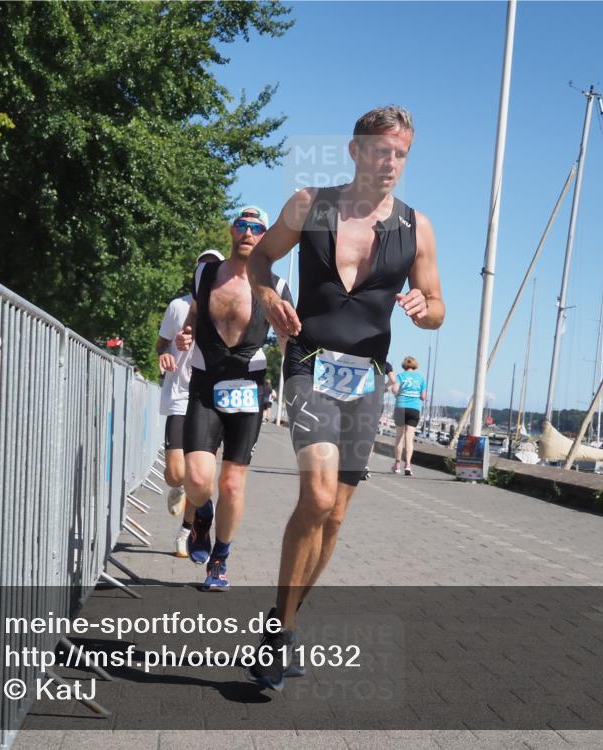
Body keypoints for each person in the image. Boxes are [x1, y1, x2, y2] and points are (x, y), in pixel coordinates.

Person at [246, 105, 444, 689]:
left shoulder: (416, 228)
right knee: (317, 492)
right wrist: (265, 296)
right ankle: (278, 635)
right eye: (381, 150)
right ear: (355, 151)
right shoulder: (310, 204)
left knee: (334, 517)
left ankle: (283, 622)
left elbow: (436, 305)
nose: (390, 163)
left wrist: (422, 309)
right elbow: (261, 257)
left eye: (401, 153)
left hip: (366, 379)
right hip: (309, 362)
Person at [175, 206, 292, 591]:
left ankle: (220, 559)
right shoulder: (206, 273)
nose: (248, 233)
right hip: (206, 384)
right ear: (232, 230)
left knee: (232, 485)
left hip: (248, 387)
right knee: (196, 478)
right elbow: (194, 309)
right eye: (242, 225)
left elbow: (291, 336)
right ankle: (201, 518)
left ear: (265, 236)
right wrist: (186, 333)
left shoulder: (276, 285)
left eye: (257, 228)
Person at [155, 249, 226, 558]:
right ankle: (182, 488)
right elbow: (160, 343)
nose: (208, 272)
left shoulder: (227, 308)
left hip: (209, 400)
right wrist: (166, 352)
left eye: (214, 267)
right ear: (195, 272)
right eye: (203, 266)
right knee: (175, 473)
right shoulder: (177, 307)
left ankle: (187, 531)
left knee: (201, 473)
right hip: (179, 395)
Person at [391, 355, 426, 476]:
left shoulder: (400, 376)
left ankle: (397, 465)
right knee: (409, 438)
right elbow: (423, 397)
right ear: (415, 365)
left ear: (404, 365)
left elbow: (394, 389)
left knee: (399, 436)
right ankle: (408, 465)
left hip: (401, 407)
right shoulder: (421, 378)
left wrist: (398, 395)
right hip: (414, 408)